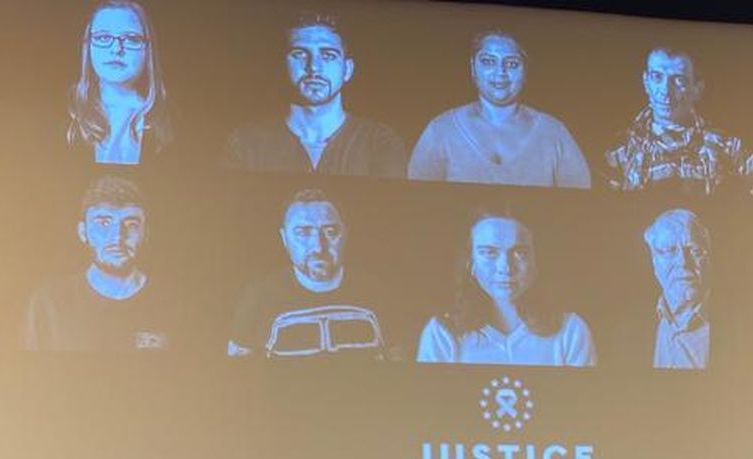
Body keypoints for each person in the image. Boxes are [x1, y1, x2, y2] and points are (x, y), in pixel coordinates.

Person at [224, 14, 406, 177]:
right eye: (299, 54)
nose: (314, 67)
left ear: (347, 69)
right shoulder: (245, 143)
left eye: (328, 55)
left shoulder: (379, 142)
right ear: (282, 66)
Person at [408, 31, 590, 188]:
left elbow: (580, 205)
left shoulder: (554, 132)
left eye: (511, 64)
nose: (500, 72)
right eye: (488, 61)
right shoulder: (441, 130)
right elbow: (416, 203)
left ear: (525, 71)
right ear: (473, 67)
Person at [416, 214, 595, 366]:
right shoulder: (441, 333)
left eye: (520, 253)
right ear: (471, 264)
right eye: (489, 253)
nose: (506, 268)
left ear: (536, 261)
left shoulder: (570, 331)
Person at [228, 189, 387, 359]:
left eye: (330, 231)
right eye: (303, 233)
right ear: (284, 238)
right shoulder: (259, 296)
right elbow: (238, 363)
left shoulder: (379, 292)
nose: (318, 246)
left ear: (345, 234)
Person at [22, 175, 174, 351]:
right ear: (83, 232)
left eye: (131, 224)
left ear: (146, 233)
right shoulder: (48, 302)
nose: (117, 236)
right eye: (104, 223)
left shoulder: (175, 303)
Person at [605, 47, 753, 196]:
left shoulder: (730, 148)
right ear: (646, 83)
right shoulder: (619, 151)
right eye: (657, 77)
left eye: (679, 80)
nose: (665, 91)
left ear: (697, 89)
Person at [67, 1, 171, 165]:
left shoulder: (172, 122)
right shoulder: (63, 118)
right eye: (103, 37)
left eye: (131, 39)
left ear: (148, 49)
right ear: (88, 46)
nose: (116, 49)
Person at [643, 208, 711, 370]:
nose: (683, 262)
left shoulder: (742, 329)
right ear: (654, 262)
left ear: (708, 258)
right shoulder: (632, 330)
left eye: (694, 250)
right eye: (669, 251)